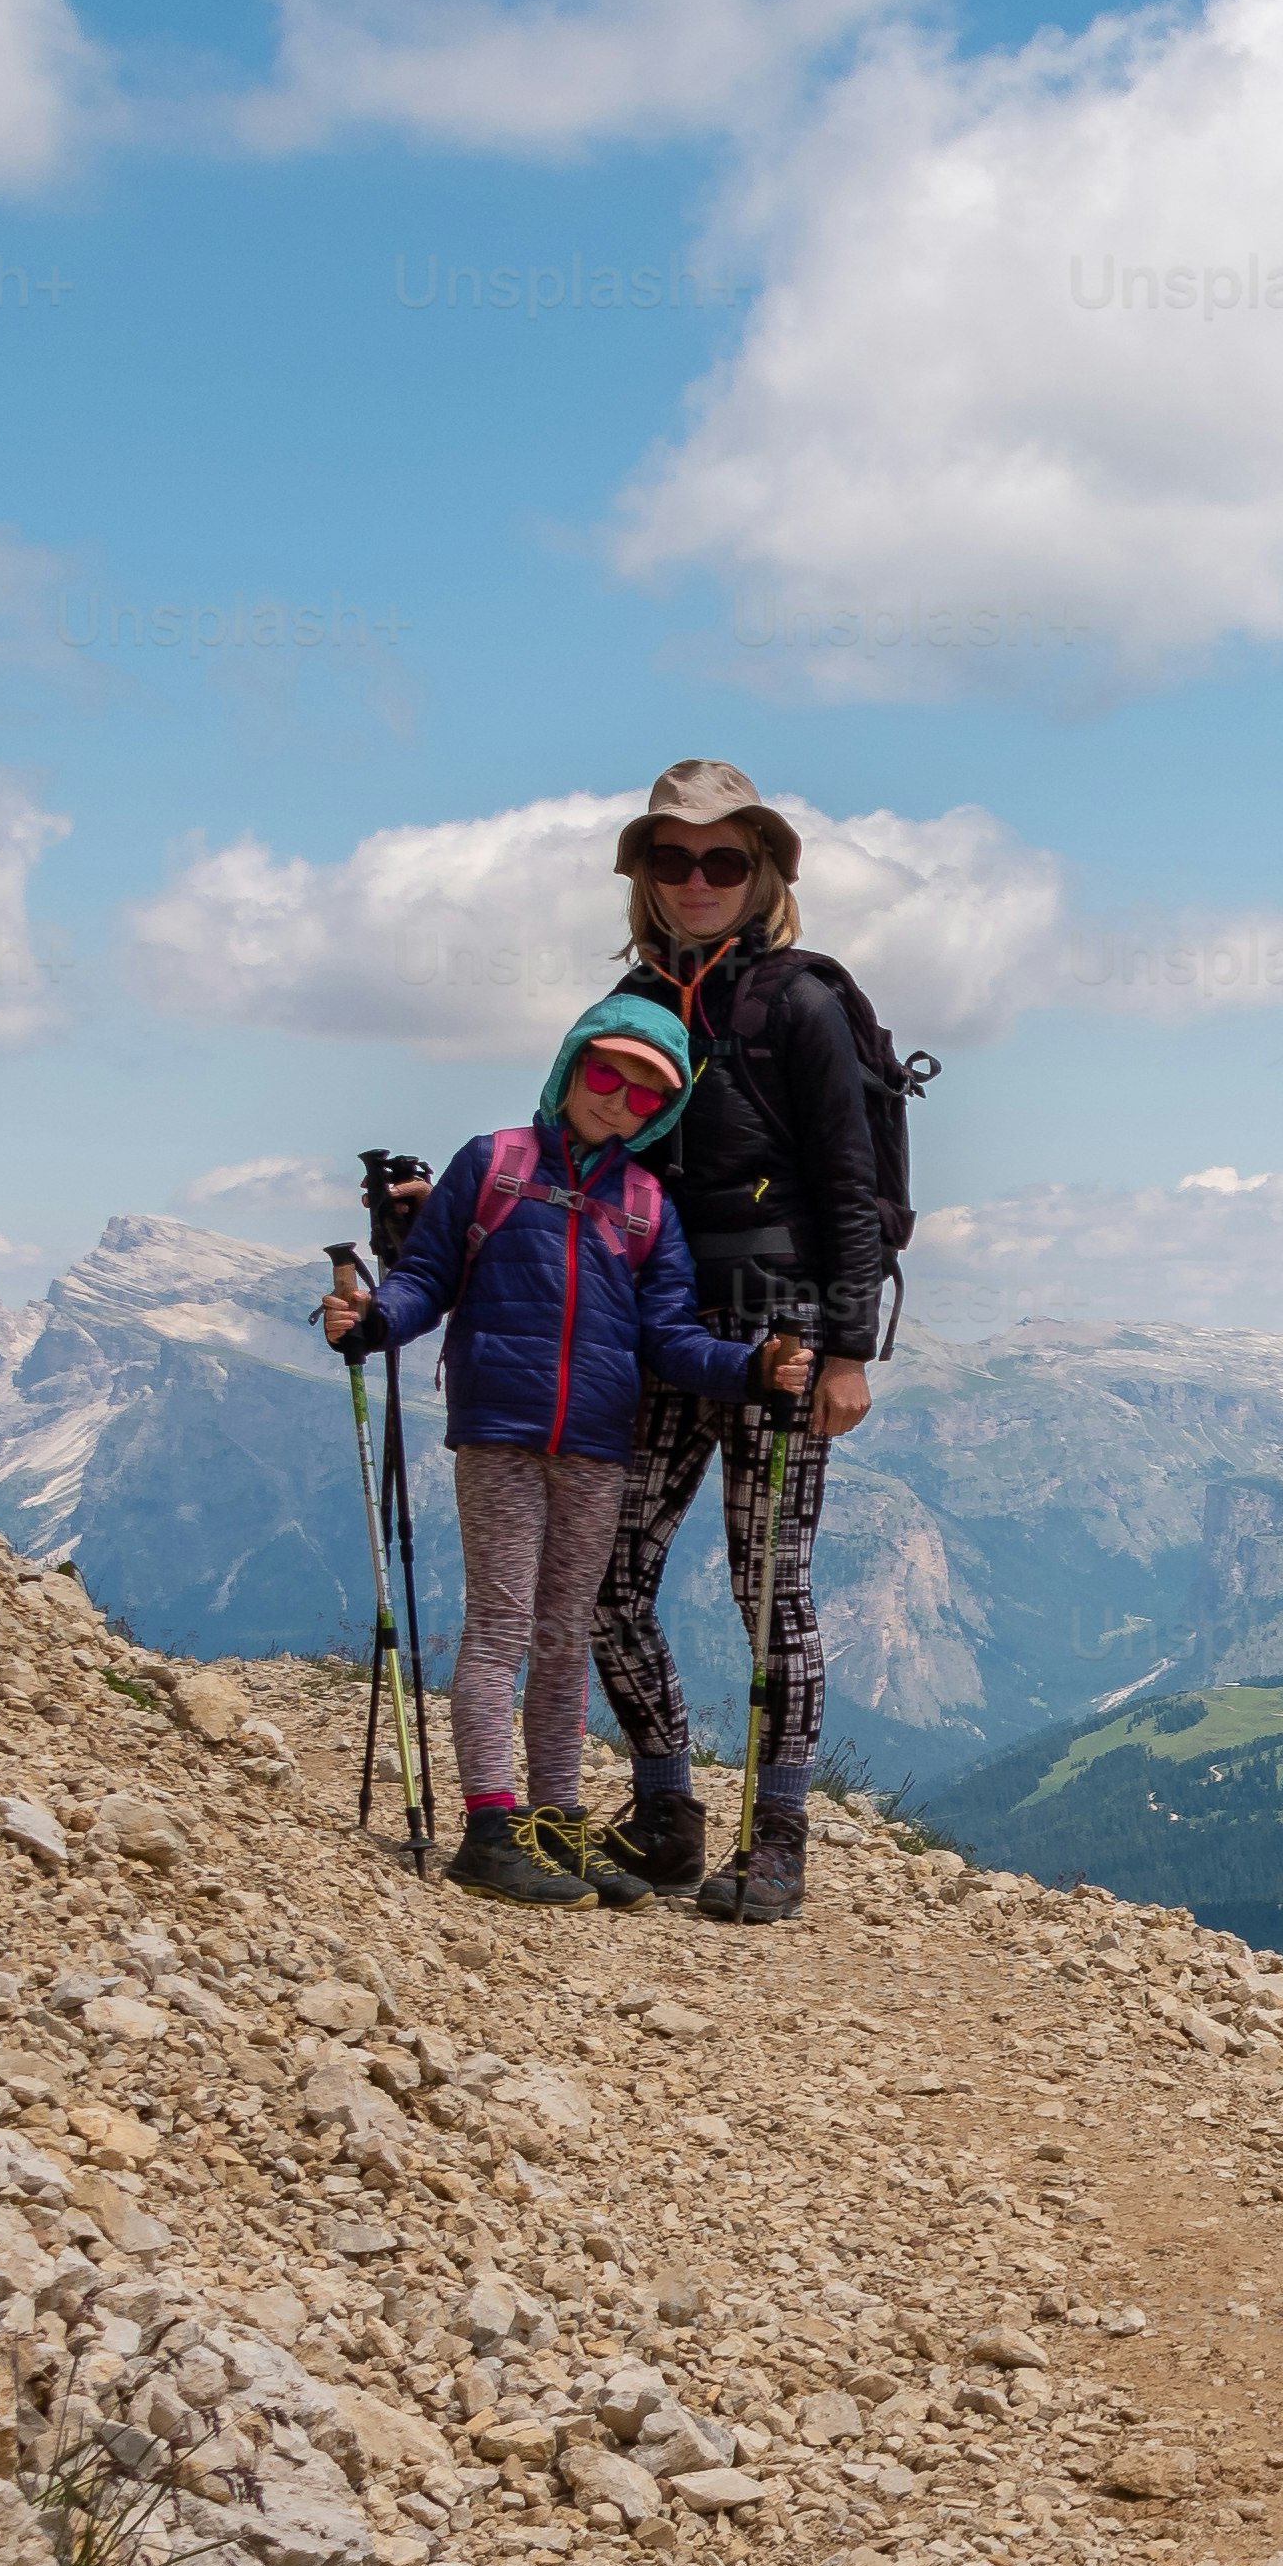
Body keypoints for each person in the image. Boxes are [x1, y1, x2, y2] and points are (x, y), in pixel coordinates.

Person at [315, 996, 804, 1909]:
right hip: (500, 1432)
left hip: (595, 1445)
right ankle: (490, 1828)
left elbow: (668, 1338)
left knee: (562, 1638)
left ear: (664, 1108)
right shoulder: (493, 1163)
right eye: (605, 1072)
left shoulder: (647, 1203)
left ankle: (554, 1822)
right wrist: (374, 1322)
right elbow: (427, 1277)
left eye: (644, 1090)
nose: (618, 1098)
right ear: (572, 1065)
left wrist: (752, 1370)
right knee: (503, 1626)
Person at [579, 759, 914, 1924]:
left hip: (781, 1332)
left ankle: (775, 1842)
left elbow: (852, 1184)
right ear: (647, 878)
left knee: (769, 1589)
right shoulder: (630, 1008)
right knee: (605, 1576)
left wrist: (849, 1351)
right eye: (673, 859)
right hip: (660, 1330)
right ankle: (669, 1813)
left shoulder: (803, 1003)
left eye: (725, 858)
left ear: (762, 871)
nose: (698, 877)